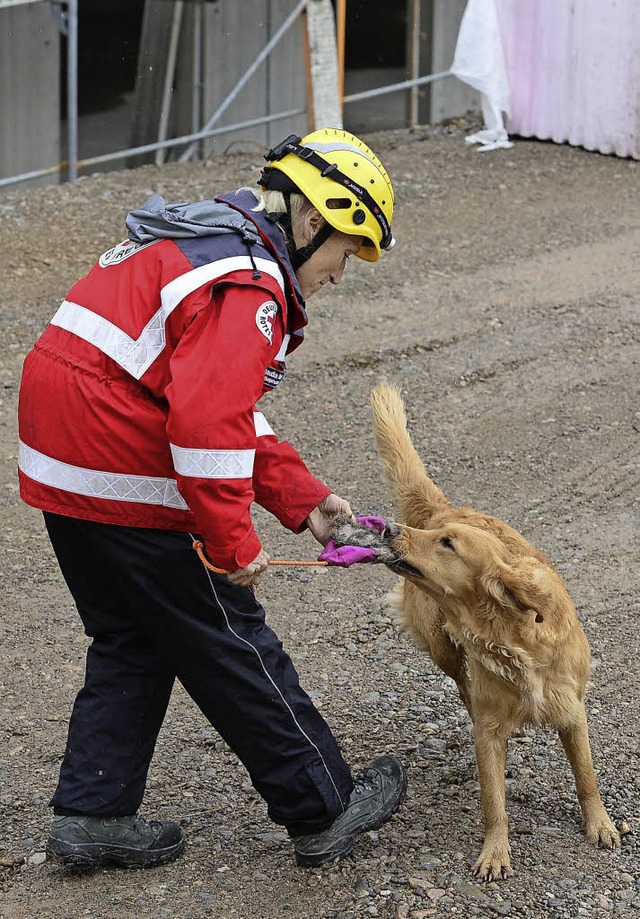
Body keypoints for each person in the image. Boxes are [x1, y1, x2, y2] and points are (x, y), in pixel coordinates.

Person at [17, 128, 405, 872]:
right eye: (346, 250)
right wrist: (232, 544)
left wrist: (310, 504)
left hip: (64, 465)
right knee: (229, 636)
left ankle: (91, 814)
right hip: (118, 461)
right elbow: (204, 423)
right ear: (312, 219)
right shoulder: (250, 282)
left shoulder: (203, 238)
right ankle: (323, 805)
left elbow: (214, 405)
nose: (340, 273)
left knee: (131, 634)